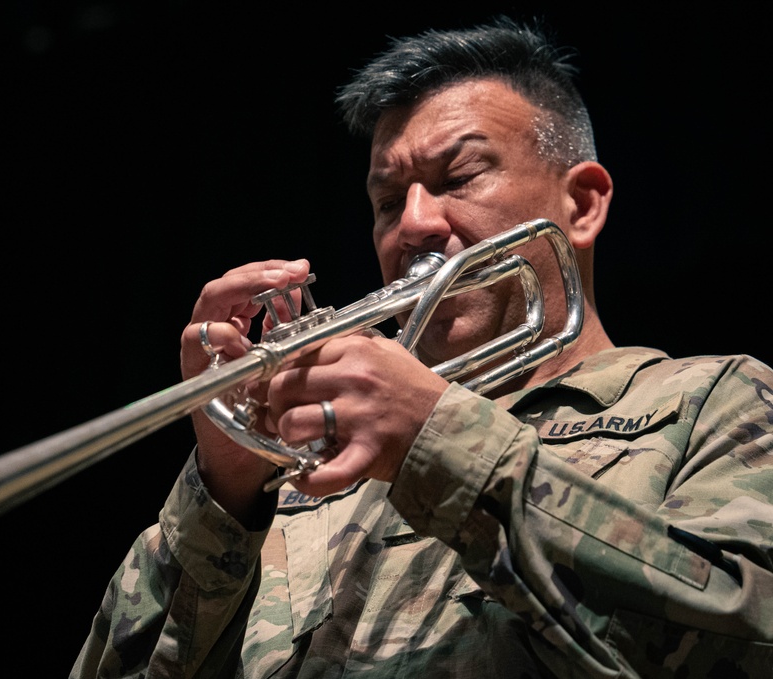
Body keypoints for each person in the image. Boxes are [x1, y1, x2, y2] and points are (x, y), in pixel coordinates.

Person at [70, 17, 773, 678]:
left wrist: (437, 440)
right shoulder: (305, 484)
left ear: (582, 203)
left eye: (459, 178)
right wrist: (225, 492)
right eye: (385, 201)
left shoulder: (715, 401)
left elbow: (743, 635)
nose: (412, 224)